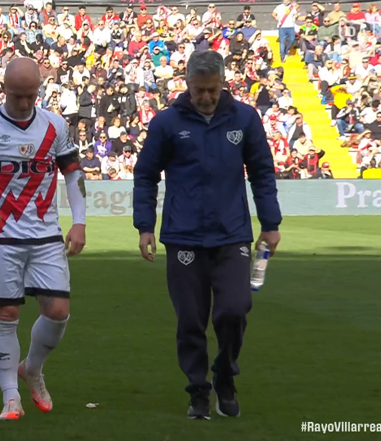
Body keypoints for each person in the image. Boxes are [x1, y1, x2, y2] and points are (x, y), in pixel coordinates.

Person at [132, 50, 282, 420]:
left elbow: (262, 172)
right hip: (183, 235)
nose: (206, 97)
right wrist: (145, 226)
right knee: (190, 320)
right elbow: (146, 175)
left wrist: (271, 223)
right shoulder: (167, 122)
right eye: (199, 90)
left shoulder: (244, 118)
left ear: (222, 83)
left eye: (212, 90)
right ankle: (198, 390)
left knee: (235, 309)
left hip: (232, 234)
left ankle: (225, 374)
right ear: (187, 85)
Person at [0, 57, 87, 421]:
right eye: (18, 96)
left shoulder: (54, 125)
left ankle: (31, 368)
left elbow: (73, 174)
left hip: (46, 235)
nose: (25, 102)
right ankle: (10, 397)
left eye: (31, 95)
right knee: (5, 313)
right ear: (4, 90)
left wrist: (79, 222)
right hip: (1, 236)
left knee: (58, 312)